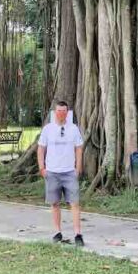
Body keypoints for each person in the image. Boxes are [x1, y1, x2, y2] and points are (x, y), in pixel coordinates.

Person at [37, 100, 85, 246]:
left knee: (75, 203)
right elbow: (41, 149)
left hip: (69, 172)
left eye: (64, 111)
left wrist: (78, 168)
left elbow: (79, 148)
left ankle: (78, 234)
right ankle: (57, 232)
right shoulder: (48, 129)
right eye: (59, 111)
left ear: (67, 112)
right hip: (52, 172)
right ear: (55, 112)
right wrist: (42, 168)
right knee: (54, 203)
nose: (61, 114)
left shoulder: (73, 129)